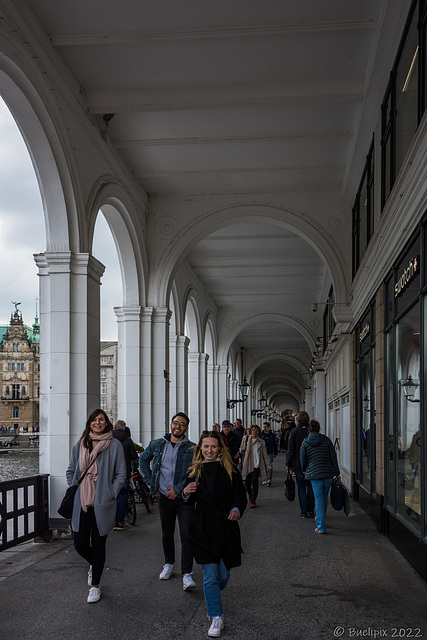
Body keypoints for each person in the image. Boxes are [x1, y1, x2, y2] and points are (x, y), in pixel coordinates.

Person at [183, 431, 247, 638]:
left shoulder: (230, 470)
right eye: (205, 447)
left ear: (220, 448)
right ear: (200, 449)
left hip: (225, 525)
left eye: (213, 447)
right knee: (210, 577)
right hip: (202, 526)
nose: (209, 450)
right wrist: (185, 492)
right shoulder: (194, 470)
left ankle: (212, 595)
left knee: (223, 574)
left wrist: (236, 509)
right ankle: (216, 616)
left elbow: (240, 495)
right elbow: (187, 501)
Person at [65, 408, 126, 603]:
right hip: (81, 501)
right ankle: (95, 564)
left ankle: (95, 586)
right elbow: (71, 470)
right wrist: (74, 486)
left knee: (99, 543)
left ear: (107, 423)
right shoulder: (80, 444)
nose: (97, 422)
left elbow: (120, 474)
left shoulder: (114, 445)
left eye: (101, 420)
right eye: (94, 420)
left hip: (103, 501)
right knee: (80, 544)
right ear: (89, 423)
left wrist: (111, 493)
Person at [139, 412, 197, 590]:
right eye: (175, 423)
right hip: (164, 497)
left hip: (184, 497)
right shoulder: (158, 444)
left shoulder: (192, 448)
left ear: (186, 428)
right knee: (167, 532)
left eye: (182, 424)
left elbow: (195, 471)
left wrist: (178, 489)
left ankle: (187, 574)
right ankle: (169, 564)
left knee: (186, 534)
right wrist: (150, 481)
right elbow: (143, 460)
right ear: (171, 425)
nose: (177, 426)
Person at [300, 419, 340, 534]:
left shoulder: (305, 442)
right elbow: (333, 456)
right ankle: (321, 520)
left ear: (309, 429)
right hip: (327, 473)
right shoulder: (326, 440)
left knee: (318, 499)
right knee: (323, 498)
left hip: (314, 474)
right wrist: (337, 472)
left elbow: (303, 459)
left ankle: (321, 526)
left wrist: (304, 470)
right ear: (319, 428)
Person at [286, 411, 315, 518]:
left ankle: (303, 512)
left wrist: (288, 463)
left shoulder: (294, 432)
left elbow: (291, 449)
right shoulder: (310, 432)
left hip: (298, 464)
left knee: (301, 488)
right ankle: (311, 509)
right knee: (311, 487)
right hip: (311, 464)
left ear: (298, 420)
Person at [112, 419, 138, 530]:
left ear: (114, 428)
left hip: (111, 474)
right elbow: (133, 456)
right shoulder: (128, 440)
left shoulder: (109, 439)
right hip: (124, 473)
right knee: (122, 497)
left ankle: (109, 521)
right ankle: (119, 522)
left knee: (112, 498)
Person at [241, 425, 271, 508]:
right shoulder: (246, 439)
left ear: (258, 432)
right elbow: (240, 449)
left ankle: (253, 499)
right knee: (247, 483)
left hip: (256, 465)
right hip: (247, 465)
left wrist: (268, 467)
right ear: (250, 431)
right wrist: (242, 448)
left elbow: (265, 455)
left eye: (256, 430)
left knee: (254, 482)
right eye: (253, 430)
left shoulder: (261, 442)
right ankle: (250, 496)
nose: (254, 432)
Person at [259, 421, 278, 486]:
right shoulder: (261, 435)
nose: (264, 428)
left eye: (266, 427)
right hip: (262, 453)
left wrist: (275, 452)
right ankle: (265, 479)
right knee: (263, 466)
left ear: (269, 427)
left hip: (270, 452)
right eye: (264, 427)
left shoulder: (272, 435)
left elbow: (274, 444)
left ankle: (269, 479)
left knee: (269, 466)